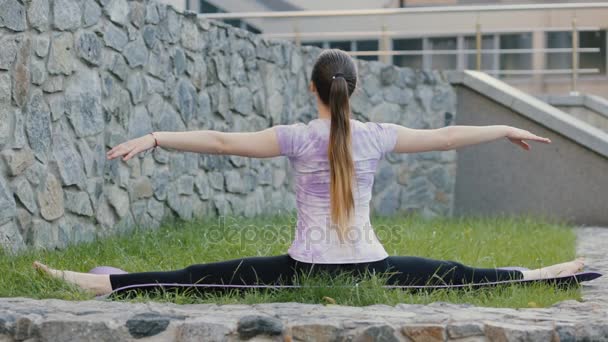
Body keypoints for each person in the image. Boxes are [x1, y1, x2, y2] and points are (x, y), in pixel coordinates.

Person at [34, 49, 584, 296]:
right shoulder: (377, 134)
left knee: (202, 277)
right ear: (355, 90)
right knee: (461, 275)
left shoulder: (296, 136)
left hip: (306, 269)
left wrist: (156, 137)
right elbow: (444, 137)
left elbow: (224, 141)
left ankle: (89, 281)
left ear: (312, 91)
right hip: (373, 268)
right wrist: (502, 130)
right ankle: (550, 272)